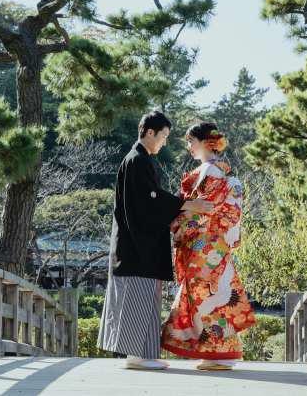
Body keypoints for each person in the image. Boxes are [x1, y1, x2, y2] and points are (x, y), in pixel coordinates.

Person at [97, 112, 215, 370]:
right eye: (163, 136)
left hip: (141, 243)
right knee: (138, 298)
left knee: (147, 299)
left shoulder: (141, 160)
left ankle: (143, 355)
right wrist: (188, 205)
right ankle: (135, 357)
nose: (164, 142)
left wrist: (176, 217)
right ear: (150, 132)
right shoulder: (136, 160)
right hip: (135, 247)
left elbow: (154, 200)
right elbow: (152, 200)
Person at [161, 122, 256, 370]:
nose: (189, 147)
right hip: (209, 244)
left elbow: (205, 208)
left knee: (208, 296)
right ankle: (217, 353)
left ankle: (220, 355)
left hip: (205, 245)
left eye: (191, 141)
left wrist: (178, 227)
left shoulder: (212, 172)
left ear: (205, 142)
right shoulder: (212, 170)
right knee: (208, 296)